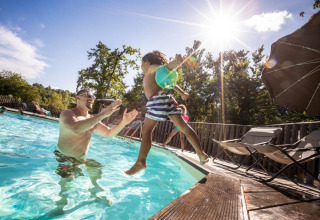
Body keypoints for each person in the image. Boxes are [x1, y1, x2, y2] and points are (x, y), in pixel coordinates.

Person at [49, 89, 138, 216]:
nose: (92, 98)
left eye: (94, 96)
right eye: (88, 95)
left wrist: (124, 122)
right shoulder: (67, 114)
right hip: (65, 157)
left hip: (80, 158)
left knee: (97, 170)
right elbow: (76, 128)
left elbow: (108, 133)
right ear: (78, 98)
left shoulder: (92, 119)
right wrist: (103, 114)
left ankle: (94, 192)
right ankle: (60, 206)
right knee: (67, 182)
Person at [125, 51, 208, 175]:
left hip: (156, 100)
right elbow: (172, 84)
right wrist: (182, 93)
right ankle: (200, 152)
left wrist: (175, 63)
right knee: (184, 127)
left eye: (141, 64)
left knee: (147, 131)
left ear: (147, 62)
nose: (141, 67)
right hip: (167, 99)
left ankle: (140, 162)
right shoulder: (159, 75)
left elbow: (165, 67)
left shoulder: (151, 69)